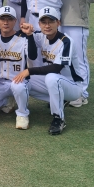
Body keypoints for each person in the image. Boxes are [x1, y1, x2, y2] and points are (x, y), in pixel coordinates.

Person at [13, 7, 85, 135]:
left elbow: (56, 68)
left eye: (51, 21)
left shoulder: (66, 41)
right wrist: (28, 33)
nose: (47, 25)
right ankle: (22, 113)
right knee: (20, 81)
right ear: (39, 24)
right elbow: (23, 40)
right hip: (54, 81)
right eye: (43, 22)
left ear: (58, 23)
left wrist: (30, 70)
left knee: (51, 77)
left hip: (72, 85)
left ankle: (59, 118)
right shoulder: (41, 36)